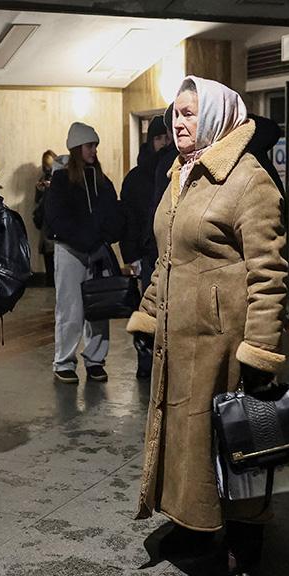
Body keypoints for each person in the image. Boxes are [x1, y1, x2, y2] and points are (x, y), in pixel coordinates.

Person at [127, 76, 288, 576]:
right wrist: (149, 314)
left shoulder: (248, 179)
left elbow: (269, 274)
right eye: (175, 113)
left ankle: (245, 540)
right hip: (179, 339)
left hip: (224, 342)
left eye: (190, 113)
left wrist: (260, 352)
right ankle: (194, 522)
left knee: (234, 440)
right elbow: (168, 259)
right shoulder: (181, 173)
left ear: (216, 115)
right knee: (186, 438)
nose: (179, 122)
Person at [44, 121, 122, 384]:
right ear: (77, 147)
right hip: (70, 251)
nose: (94, 151)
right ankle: (64, 361)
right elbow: (56, 218)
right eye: (90, 145)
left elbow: (112, 212)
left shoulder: (102, 180)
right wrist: (87, 239)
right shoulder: (61, 180)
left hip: (96, 251)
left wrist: (104, 238)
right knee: (70, 309)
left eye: (96, 146)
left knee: (99, 307)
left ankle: (95, 360)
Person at [120, 114, 170, 379]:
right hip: (148, 254)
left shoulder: (178, 169)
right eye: (159, 138)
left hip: (173, 253)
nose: (164, 143)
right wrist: (131, 255)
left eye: (167, 137)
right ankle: (146, 363)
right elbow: (129, 218)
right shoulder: (137, 177)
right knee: (148, 309)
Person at [32, 149, 62, 282]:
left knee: (57, 260)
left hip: (57, 225)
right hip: (46, 224)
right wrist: (40, 190)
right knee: (49, 257)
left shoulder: (62, 178)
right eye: (46, 166)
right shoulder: (43, 179)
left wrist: (52, 188)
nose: (48, 169)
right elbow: (38, 202)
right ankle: (50, 282)